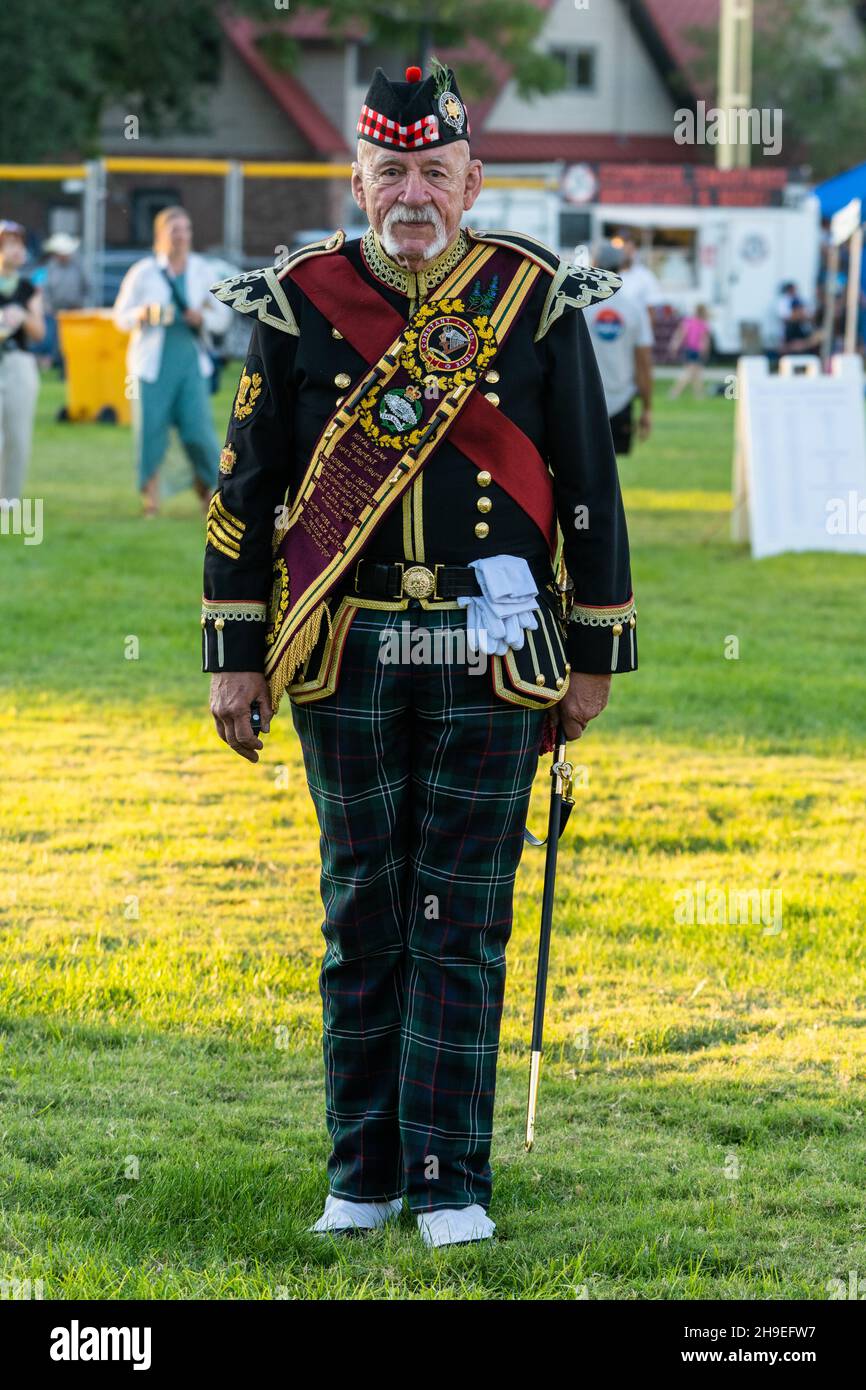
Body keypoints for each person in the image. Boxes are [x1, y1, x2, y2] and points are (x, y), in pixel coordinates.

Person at [202, 63, 637, 1248]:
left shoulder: (532, 300)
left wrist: (594, 652)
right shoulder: (299, 299)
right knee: (362, 915)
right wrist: (234, 652)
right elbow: (245, 491)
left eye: (431, 172)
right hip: (345, 658)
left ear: (470, 181)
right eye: (388, 169)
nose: (409, 192)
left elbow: (589, 491)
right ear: (357, 174)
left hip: (494, 661)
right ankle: (362, 1170)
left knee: (461, 918)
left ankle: (450, 1179)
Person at [113, 207, 231, 519]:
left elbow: (222, 318)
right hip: (152, 364)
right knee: (151, 433)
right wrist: (141, 314)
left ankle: (210, 493)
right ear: (160, 236)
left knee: (197, 431)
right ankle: (150, 499)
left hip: (190, 360)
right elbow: (119, 317)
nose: (180, 236)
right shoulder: (143, 272)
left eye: (185, 229)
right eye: (174, 230)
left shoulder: (203, 270)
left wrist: (201, 316)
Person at [584, 240, 653, 453]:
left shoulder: (579, 306)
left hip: (583, 400)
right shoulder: (634, 308)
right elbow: (643, 363)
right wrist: (647, 408)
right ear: (621, 266)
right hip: (621, 401)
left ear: (593, 264)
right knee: (612, 471)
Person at [0, 220, 45, 505]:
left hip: (18, 363)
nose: (16, 250)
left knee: (18, 435)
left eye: (19, 243)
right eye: (9, 243)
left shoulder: (29, 288)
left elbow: (39, 332)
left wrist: (22, 315)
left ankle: (9, 498)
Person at [41, 232, 89, 371]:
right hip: (56, 312)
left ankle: (71, 368)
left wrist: (80, 304)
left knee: (74, 342)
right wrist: (49, 307)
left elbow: (86, 287)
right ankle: (59, 367)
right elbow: (46, 290)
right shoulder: (51, 268)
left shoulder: (78, 267)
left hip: (75, 311)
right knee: (58, 342)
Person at [668, 304, 711, 399]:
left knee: (696, 374)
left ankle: (699, 395)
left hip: (688, 349)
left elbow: (681, 334)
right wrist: (705, 351)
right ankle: (674, 392)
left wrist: (675, 345)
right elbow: (704, 340)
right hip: (696, 351)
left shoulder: (688, 322)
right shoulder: (703, 324)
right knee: (689, 373)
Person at [618, 232, 663, 314]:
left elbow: (652, 307)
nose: (626, 253)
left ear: (635, 251)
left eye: (630, 249)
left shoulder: (645, 276)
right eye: (624, 249)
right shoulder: (613, 274)